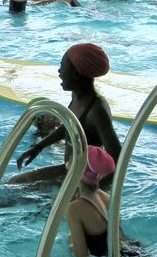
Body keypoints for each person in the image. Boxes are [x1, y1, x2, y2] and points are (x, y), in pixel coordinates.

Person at [10, 43, 122, 185]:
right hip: (70, 170)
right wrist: (38, 147)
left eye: (62, 66)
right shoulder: (77, 97)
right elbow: (70, 126)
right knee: (15, 182)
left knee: (17, 189)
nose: (59, 71)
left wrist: (94, 192)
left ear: (76, 74)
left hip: (82, 181)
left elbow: (118, 158)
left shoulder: (97, 110)